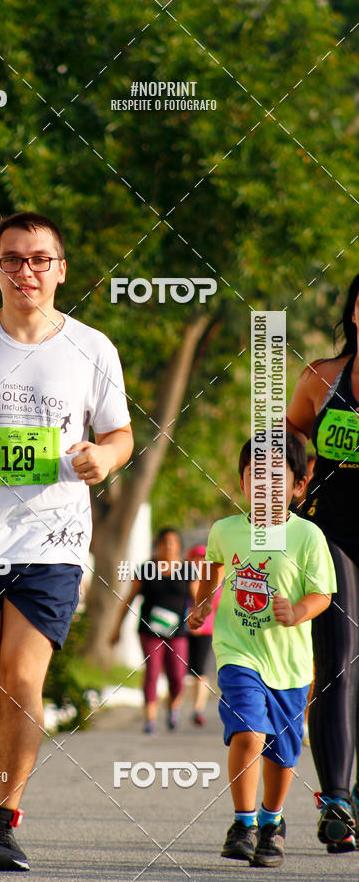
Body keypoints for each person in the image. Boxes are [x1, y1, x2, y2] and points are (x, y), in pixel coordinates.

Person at [0, 212, 133, 871]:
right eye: (13, 260)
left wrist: (106, 458)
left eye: (40, 259)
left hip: (54, 540)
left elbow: (119, 436)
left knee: (20, 680)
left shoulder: (93, 349)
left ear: (61, 270)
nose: (26, 271)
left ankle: (6, 820)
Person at [187, 434, 336, 868]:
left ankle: (273, 822)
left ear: (298, 486)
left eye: (278, 477)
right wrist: (201, 606)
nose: (266, 485)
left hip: (289, 665)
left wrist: (299, 610)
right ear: (242, 482)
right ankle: (244, 822)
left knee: (282, 752)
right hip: (238, 653)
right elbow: (213, 570)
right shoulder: (225, 530)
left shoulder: (307, 536)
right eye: (257, 476)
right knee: (249, 732)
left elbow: (323, 593)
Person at [287, 273, 359, 852]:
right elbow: (283, 439)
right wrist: (280, 484)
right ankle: (336, 800)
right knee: (337, 662)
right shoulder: (322, 379)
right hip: (330, 532)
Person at [110, 528, 189, 732]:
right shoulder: (146, 568)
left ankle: (173, 706)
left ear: (179, 546)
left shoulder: (187, 570)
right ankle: (150, 719)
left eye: (173, 542)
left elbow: (197, 600)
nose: (169, 546)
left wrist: (201, 622)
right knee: (152, 671)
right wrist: (116, 629)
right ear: (158, 545)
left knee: (177, 677)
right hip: (149, 630)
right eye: (165, 542)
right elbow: (129, 599)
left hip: (177, 632)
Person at [186, 544, 221, 727]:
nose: (199, 562)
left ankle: (197, 709)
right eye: (196, 558)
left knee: (200, 672)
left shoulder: (214, 581)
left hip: (205, 629)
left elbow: (215, 606)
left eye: (203, 558)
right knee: (182, 672)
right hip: (182, 630)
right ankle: (174, 707)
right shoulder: (182, 577)